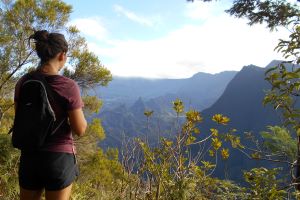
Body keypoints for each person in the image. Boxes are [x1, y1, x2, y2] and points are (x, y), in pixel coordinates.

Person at [14, 30, 87, 200]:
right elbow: (80, 129)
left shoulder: (23, 82)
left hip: (29, 158)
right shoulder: (68, 85)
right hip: (58, 158)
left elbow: (21, 119)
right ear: (62, 55)